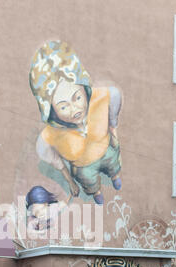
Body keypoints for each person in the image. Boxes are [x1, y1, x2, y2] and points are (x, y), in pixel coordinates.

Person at [29, 40, 122, 206]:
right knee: (89, 182)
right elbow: (45, 152)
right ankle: (96, 192)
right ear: (52, 112)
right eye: (63, 106)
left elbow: (115, 96)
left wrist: (114, 130)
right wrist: (70, 180)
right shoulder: (51, 134)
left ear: (84, 88)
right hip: (83, 167)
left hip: (106, 150)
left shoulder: (101, 98)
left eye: (77, 97)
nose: (74, 109)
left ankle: (115, 177)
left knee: (114, 165)